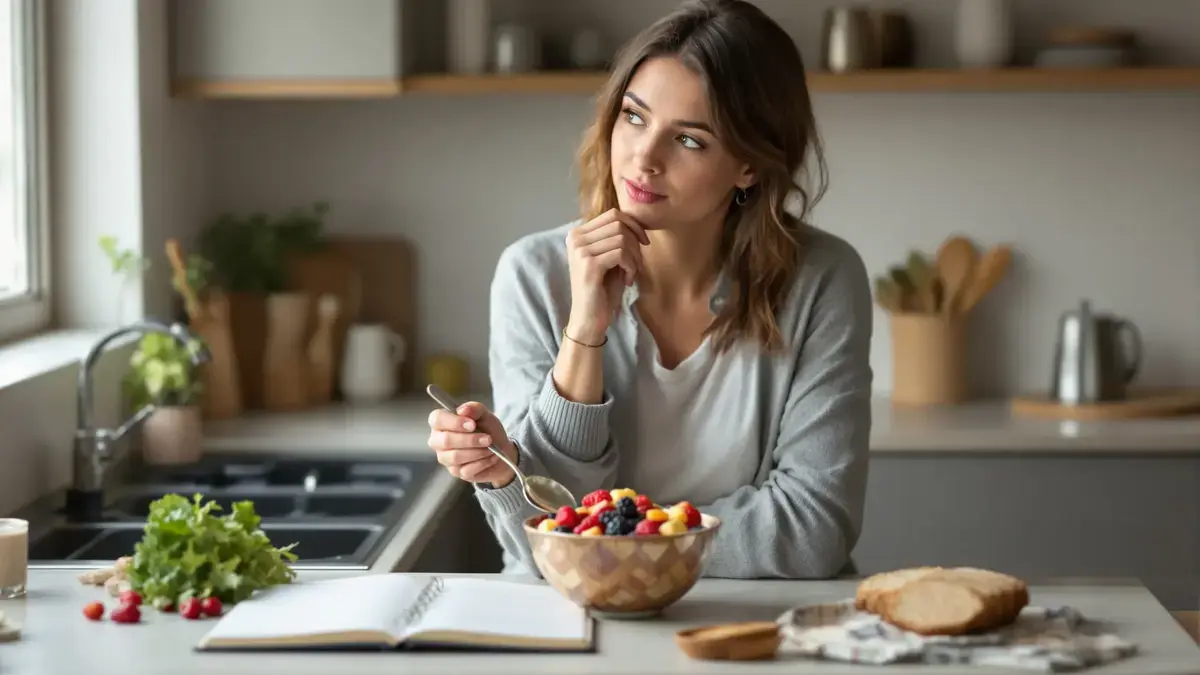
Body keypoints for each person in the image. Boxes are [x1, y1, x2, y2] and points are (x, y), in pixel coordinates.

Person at [426, 0, 873, 580]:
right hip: (572, 623)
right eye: (634, 117)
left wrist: (602, 538)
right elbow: (536, 544)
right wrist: (584, 333)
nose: (644, 157)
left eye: (689, 140)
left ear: (750, 167)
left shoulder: (822, 278)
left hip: (755, 626)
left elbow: (814, 531)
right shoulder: (533, 275)